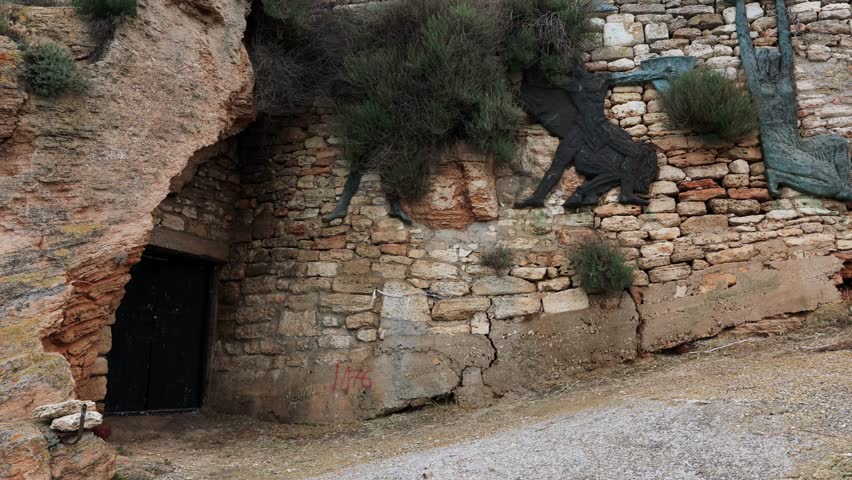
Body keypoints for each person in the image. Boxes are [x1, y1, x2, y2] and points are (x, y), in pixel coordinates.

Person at [736, 0, 852, 200]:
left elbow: (785, 39)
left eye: (774, 57)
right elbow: (743, 37)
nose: (771, 59)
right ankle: (779, 175)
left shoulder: (784, 79)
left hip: (796, 142)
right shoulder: (756, 82)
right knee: (831, 184)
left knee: (839, 143)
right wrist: (739, 4)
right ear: (759, 62)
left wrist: (779, 3)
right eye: (765, 58)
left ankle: (847, 187)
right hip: (778, 148)